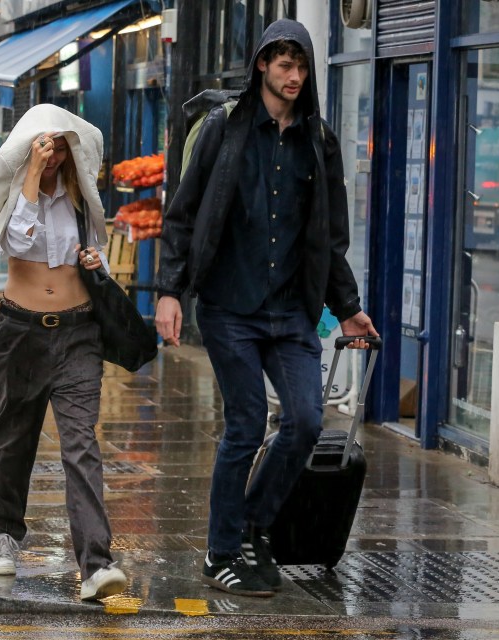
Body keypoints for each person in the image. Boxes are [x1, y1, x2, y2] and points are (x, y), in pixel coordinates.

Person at [154, 19, 379, 597]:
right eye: (285, 65)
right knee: (247, 424)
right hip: (230, 306)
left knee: (305, 421)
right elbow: (182, 214)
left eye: (301, 66)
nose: (295, 77)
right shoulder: (224, 131)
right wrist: (170, 291)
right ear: (262, 65)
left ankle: (252, 526)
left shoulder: (319, 141)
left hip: (290, 312)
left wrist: (347, 308)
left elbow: (329, 238)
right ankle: (222, 551)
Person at [0, 104, 126, 602]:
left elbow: (96, 252)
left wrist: (93, 259)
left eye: (58, 148)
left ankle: (96, 562)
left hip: (78, 334)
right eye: (43, 148)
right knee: (14, 440)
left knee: (81, 447)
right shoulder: (14, 194)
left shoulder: (79, 197)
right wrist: (29, 173)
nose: (51, 158)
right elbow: (19, 240)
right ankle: (3, 532)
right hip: (21, 332)